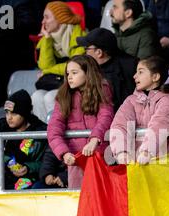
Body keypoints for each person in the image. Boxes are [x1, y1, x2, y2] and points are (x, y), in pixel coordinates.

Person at [47, 55, 114, 188]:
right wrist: (64, 153)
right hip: (76, 160)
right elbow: (53, 129)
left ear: (88, 73)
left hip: (100, 157)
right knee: (78, 201)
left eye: (74, 72)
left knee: (101, 199)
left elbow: (106, 116)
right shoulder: (63, 96)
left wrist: (95, 140)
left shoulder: (102, 89)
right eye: (67, 73)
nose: (69, 77)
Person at [109, 55, 169, 165]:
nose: (134, 76)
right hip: (137, 163)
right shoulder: (131, 101)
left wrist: (147, 151)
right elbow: (120, 124)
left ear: (155, 77)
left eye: (140, 72)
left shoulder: (168, 101)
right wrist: (121, 151)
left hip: (164, 164)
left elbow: (160, 124)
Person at [0, 90, 47, 190]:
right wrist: (7, 162)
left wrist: (28, 168)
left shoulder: (41, 132)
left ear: (25, 113)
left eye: (14, 114)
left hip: (28, 178)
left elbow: (47, 162)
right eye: (7, 113)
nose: (9, 118)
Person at [32, 1, 85, 123]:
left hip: (75, 85)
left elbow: (75, 66)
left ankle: (59, 134)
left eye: (47, 17)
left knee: (51, 97)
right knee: (36, 96)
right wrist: (47, 39)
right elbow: (44, 65)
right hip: (55, 83)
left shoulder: (79, 37)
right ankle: (43, 137)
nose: (43, 22)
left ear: (60, 18)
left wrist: (47, 71)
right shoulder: (46, 39)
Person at [77, 27, 137, 112]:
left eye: (86, 49)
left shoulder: (132, 67)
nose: (84, 53)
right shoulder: (88, 68)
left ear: (99, 52)